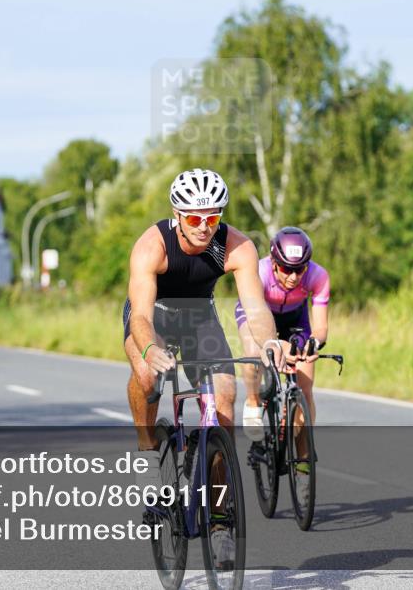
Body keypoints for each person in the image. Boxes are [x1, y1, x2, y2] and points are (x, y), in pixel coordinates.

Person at [124, 168, 286, 564]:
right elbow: (140, 318)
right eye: (194, 218)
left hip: (199, 319)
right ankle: (148, 452)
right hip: (153, 320)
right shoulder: (152, 246)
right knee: (147, 376)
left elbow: (256, 307)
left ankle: (218, 517)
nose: (203, 227)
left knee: (225, 401)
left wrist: (268, 340)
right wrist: (148, 350)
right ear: (177, 215)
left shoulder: (236, 246)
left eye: (212, 217)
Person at [234, 227, 330, 460]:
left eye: (299, 269)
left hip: (295, 318)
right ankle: (253, 401)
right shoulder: (260, 271)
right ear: (274, 262)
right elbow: (257, 322)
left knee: (305, 389)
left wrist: (313, 344)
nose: (293, 277)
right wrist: (273, 344)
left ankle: (304, 457)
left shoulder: (318, 276)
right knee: (254, 352)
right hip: (256, 314)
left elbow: (320, 329)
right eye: (287, 268)